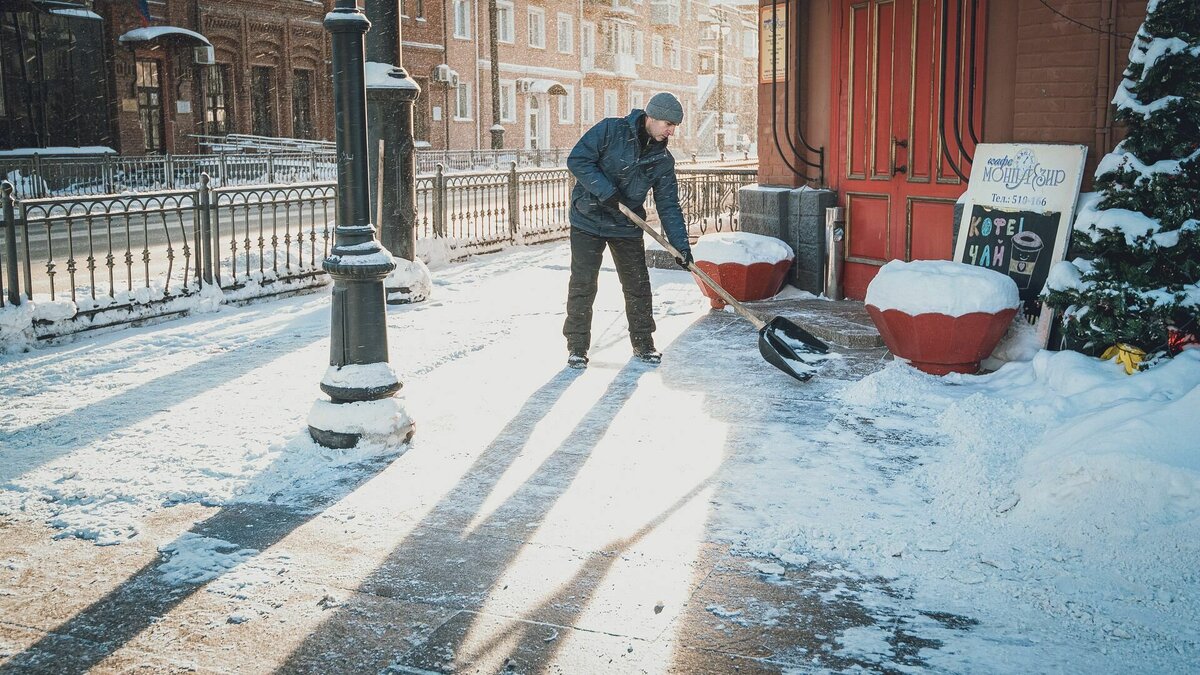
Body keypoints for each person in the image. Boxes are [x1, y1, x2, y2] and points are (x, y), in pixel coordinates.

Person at [562, 92, 693, 369]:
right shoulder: (611, 130)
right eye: (668, 124)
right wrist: (605, 191)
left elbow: (669, 205)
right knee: (583, 284)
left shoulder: (662, 160)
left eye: (674, 126)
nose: (671, 131)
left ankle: (643, 343)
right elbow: (578, 160)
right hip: (588, 219)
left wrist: (680, 246)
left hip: (626, 224)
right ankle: (577, 347)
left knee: (638, 285)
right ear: (651, 117)